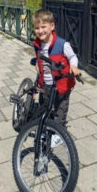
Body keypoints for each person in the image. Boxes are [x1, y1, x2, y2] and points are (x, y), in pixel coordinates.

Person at [32, 10, 80, 147]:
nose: (40, 31)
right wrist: (37, 63)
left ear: (52, 26)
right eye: (37, 28)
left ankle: (59, 133)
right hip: (45, 83)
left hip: (62, 84)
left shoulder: (62, 44)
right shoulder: (37, 44)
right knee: (44, 105)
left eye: (43, 27)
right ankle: (44, 127)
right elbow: (38, 57)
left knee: (60, 110)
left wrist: (74, 67)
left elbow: (73, 57)